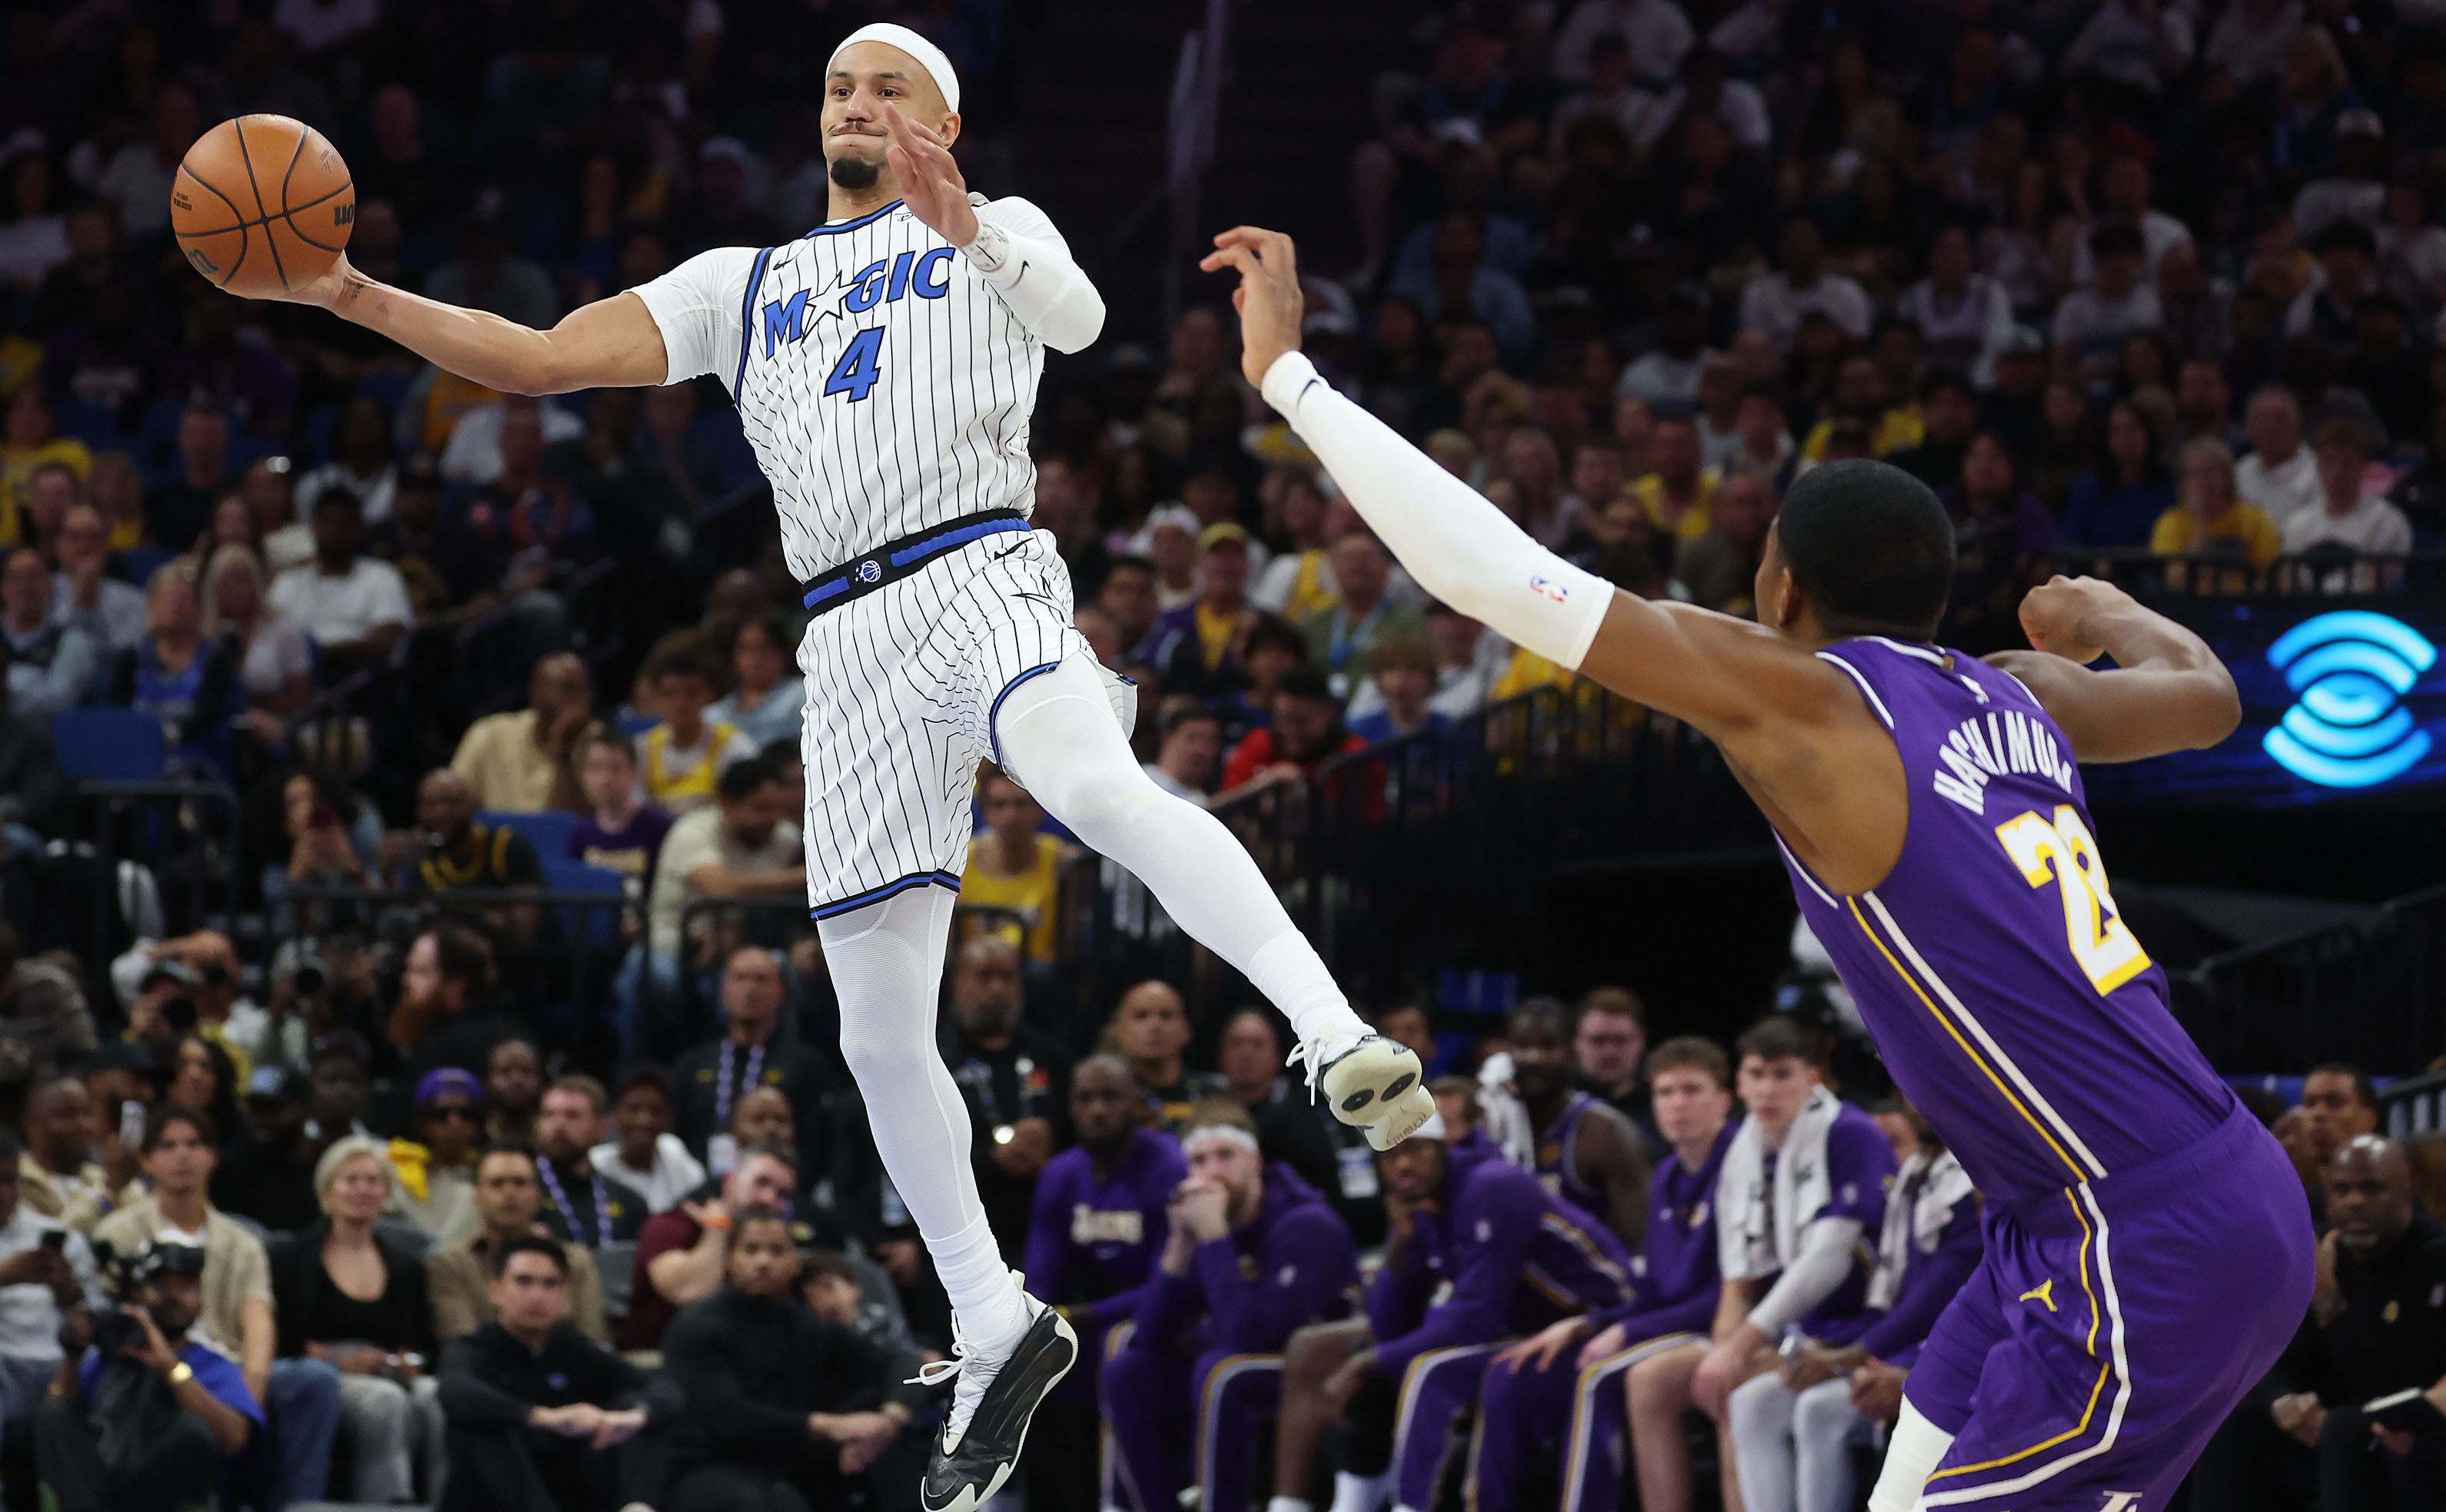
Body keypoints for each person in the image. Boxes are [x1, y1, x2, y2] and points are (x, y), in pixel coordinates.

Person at [267, 44, 1429, 1512]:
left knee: (1095, 786)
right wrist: (351, 296)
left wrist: (969, 225)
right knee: (878, 1028)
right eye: (834, 86)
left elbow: (1075, 321)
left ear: (940, 120)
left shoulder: (996, 223)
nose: (852, 103)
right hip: (848, 641)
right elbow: (543, 351)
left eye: (886, 85)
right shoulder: (739, 285)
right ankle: (992, 1315)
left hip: (982, 568)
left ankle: (1331, 1035)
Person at [1213, 223, 2312, 1509]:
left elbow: (1485, 575)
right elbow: (2205, 693)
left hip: (2135, 1230)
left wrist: (1289, 376)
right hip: (2100, 1204)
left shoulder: (1808, 705)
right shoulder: (2015, 691)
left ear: (1780, 586)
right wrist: (2097, 612)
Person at [1268, 1112, 1634, 1512]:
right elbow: (1388, 1328)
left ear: (1443, 1150)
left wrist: (1367, 1363)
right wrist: (1400, 1247)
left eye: (1415, 1151)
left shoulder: (1491, 1186)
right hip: (1526, 1332)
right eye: (1390, 1157)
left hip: (1602, 1321)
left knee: (1428, 1371)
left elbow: (1475, 1317)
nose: (1403, 1165)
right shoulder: (1422, 1206)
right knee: (1379, 1378)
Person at [1478, 1036, 1737, 1512]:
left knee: (1599, 1376)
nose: (1677, 1104)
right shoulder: (1668, 1174)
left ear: (1724, 1099)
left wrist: (1627, 1330)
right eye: (1664, 1092)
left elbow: (1730, 1295)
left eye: (1692, 1090)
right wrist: (1588, 1323)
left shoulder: (1742, 1165)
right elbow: (1657, 1288)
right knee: (1523, 1365)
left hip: (1725, 1327)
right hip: (1677, 1322)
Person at [1726, 1103, 1982, 1512]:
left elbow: (1936, 1297)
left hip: (1944, 1352)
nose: (1921, 1104)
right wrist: (1816, 1348)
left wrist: (1847, 1357)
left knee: (1820, 1409)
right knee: (1753, 1402)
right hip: (1894, 1342)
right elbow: (1885, 1303)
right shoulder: (1916, 1174)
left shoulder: (1970, 1185)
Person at [1104, 1102, 1357, 1512]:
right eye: (1199, 1162)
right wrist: (1179, 1248)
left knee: (1221, 1371)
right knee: (1128, 1369)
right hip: (1234, 1363)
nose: (1213, 1172)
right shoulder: (1204, 1225)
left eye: (1226, 1156)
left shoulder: (1307, 1223)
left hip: (1313, 1370)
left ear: (1255, 1160)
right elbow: (1152, 1336)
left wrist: (1214, 1238)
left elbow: (1252, 1336)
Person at [91, 1104, 340, 1512]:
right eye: (168, 1146)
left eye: (194, 1144)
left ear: (213, 1156)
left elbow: (258, 1317)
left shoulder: (242, 1240)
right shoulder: (118, 1233)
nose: (183, 1155)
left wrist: (253, 1383)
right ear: (147, 1160)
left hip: (228, 1363)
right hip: (152, 1359)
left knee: (314, 1381)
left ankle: (297, 1506)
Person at [659, 1205, 929, 1512]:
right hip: (708, 1465)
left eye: (777, 1250)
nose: (763, 1261)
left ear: (794, 1263)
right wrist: (833, 1426)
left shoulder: (806, 1324)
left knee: (892, 1453)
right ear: (730, 1260)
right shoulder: (696, 1327)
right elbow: (729, 1418)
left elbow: (900, 1362)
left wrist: (890, 1421)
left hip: (787, 1461)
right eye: (751, 1250)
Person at [434, 1235, 677, 1512]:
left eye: (550, 1284)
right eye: (524, 1282)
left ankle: (637, 1507)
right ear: (496, 1290)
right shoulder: (473, 1349)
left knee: (640, 1413)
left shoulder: (575, 1349)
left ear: (565, 1296)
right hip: (498, 1494)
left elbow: (665, 1389)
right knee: (483, 1424)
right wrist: (542, 1417)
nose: (537, 1295)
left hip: (570, 1488)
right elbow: (455, 1392)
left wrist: (634, 1416)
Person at [267, 1137, 443, 1505]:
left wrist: (404, 1362)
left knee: (436, 1396)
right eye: (351, 1180)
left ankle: (446, 1500)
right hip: (324, 1371)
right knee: (385, 1403)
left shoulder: (406, 1265)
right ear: (327, 1192)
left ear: (386, 1194)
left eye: (373, 1181)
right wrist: (337, 1360)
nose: (363, 1189)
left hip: (386, 1369)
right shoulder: (291, 1259)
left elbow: (418, 1341)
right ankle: (390, 1504)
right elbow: (280, 1340)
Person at [35, 1240, 260, 1512]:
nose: (173, 1296)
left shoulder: (211, 1364)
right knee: (54, 1414)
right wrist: (73, 1354)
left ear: (201, 1303)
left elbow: (236, 1440)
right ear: (141, 1295)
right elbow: (54, 1419)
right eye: (162, 1286)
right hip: (97, 1489)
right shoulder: (112, 1356)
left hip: (161, 1495)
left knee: (191, 1430)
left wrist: (169, 1367)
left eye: (186, 1288)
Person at [632, 758, 802, 1060]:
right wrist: (805, 876)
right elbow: (723, 889)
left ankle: (778, 1068)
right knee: (656, 978)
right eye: (760, 809)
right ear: (726, 804)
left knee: (773, 974)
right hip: (673, 944)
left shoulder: (785, 838)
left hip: (739, 945)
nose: (772, 819)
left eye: (777, 808)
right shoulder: (694, 831)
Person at [937, 937, 1070, 1266]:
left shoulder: (1052, 1057)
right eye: (984, 977)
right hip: (961, 1232)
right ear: (957, 983)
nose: (997, 989)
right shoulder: (933, 1059)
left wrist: (1050, 1150)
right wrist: (991, 1159)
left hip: (1044, 1229)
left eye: (1007, 977)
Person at [671, 947, 835, 1180]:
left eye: (761, 980)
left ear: (782, 991)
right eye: (740, 978)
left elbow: (816, 1149)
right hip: (700, 1194)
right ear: (724, 989)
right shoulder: (692, 1065)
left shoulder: (807, 1066)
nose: (750, 989)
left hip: (779, 1196)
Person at [620, 1142, 800, 1354]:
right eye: (761, 1182)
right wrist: (718, 1227)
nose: (769, 1199)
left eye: (782, 1194)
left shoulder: (775, 1247)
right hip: (657, 1364)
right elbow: (690, 1293)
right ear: (730, 1180)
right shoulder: (669, 1225)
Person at [427, 1143, 609, 1348]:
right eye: (497, 1183)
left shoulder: (575, 1260)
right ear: (476, 1197)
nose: (510, 1193)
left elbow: (593, 1341)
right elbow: (460, 1344)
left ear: (538, 1196)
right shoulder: (451, 1264)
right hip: (483, 1374)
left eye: (520, 1183)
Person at [1504, 998, 1651, 1245]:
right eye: (1522, 1046)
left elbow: (1638, 1244)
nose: (1534, 1058)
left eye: (1548, 1047)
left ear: (1572, 1053)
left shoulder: (1605, 1132)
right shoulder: (1490, 1125)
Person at [0, 1128, 100, 1445]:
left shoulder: (56, 1234)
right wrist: (5, 1277)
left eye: (10, 1181)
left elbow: (96, 1309)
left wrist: (70, 1291)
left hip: (61, 1360)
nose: (4, 1193)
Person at [267, 489, 412, 677]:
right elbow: (268, 636)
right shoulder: (288, 581)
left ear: (360, 528)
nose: (336, 532)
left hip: (361, 681)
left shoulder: (382, 575)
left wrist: (319, 653)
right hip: (298, 680)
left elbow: (386, 641)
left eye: (345, 524)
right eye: (328, 522)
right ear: (314, 528)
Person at [448, 654, 601, 815]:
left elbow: (571, 825)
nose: (580, 699)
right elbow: (453, 800)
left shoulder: (600, 740)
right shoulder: (489, 734)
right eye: (568, 688)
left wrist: (564, 750)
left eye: (586, 689)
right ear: (536, 691)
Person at [957, 773, 1076, 967]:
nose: (1011, 816)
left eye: (1021, 804)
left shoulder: (1064, 861)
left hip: (1039, 976)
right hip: (976, 971)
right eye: (1000, 805)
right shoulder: (961, 859)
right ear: (985, 812)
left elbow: (1071, 942)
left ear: (1040, 808)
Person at [633, 643, 758, 818]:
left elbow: (746, 811)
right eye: (670, 693)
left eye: (691, 693)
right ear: (657, 699)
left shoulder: (735, 745)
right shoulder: (644, 747)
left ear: (709, 696)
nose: (680, 703)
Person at [211, 1066, 322, 1234]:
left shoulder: (327, 1165)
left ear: (307, 1111)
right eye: (255, 1108)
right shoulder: (230, 1166)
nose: (262, 1119)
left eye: (273, 1108)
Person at [533, 1078, 641, 1248]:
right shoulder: (525, 1192)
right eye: (549, 1115)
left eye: (572, 1115)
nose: (558, 1125)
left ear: (602, 1127)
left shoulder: (629, 1202)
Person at [588, 1063, 705, 1215]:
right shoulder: (596, 1163)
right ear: (616, 1113)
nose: (644, 1121)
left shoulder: (673, 1151)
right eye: (634, 1109)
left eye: (656, 1111)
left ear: (670, 1116)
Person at [387, 1069, 486, 1249]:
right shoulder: (400, 1174)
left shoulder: (493, 1175)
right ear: (422, 1124)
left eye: (466, 1114)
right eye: (441, 1114)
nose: (455, 1122)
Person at [566, 733, 673, 889]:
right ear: (584, 775)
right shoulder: (580, 835)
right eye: (595, 768)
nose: (605, 779)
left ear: (634, 772)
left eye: (615, 768)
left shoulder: (660, 828)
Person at [2, 546, 95, 718]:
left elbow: (59, 700)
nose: (24, 586)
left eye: (33, 576)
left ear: (49, 585)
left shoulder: (72, 641)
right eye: (15, 578)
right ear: (3, 589)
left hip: (48, 739)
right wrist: (35, 681)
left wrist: (6, 689)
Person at [705, 614, 807, 753]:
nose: (755, 659)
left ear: (782, 654)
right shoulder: (715, 714)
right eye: (746, 649)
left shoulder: (803, 695)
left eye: (763, 648)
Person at [17, 1077, 109, 1230]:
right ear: (30, 1124)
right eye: (66, 1115)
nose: (83, 1124)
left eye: (87, 1113)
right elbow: (44, 1242)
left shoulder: (102, 1177)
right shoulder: (13, 1179)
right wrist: (107, 1193)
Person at [2234, 384, 2323, 526]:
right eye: (2262, 418)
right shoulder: (2239, 472)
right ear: (2249, 428)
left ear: (2298, 422)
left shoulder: (2321, 471)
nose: (2272, 426)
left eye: (2280, 417)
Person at [1571, 987, 1652, 1139]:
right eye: (1598, 1040)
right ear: (1576, 1042)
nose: (1610, 1053)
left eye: (1621, 1040)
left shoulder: (1664, 1106)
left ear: (1641, 1040)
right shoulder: (1554, 1108)